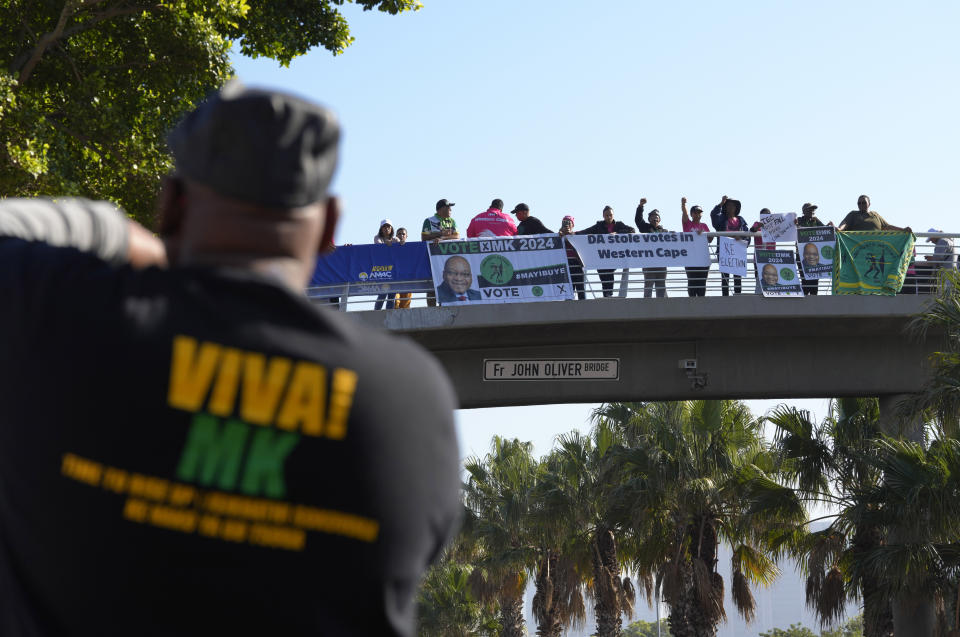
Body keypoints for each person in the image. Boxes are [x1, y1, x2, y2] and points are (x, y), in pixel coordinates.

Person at [0, 84, 461, 637]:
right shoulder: (412, 397)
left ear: (171, 204)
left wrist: (121, 234)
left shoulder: (56, 313)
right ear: (331, 227)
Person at [577, 206, 635, 298]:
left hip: (614, 255)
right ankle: (607, 294)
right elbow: (586, 231)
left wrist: (617, 233)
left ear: (613, 215)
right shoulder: (599, 225)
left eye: (610, 215)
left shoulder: (619, 225)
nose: (609, 217)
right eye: (607, 215)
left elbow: (632, 230)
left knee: (609, 274)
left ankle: (609, 293)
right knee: (603, 275)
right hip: (601, 256)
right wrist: (573, 234)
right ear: (603, 216)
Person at [422, 199, 459, 306]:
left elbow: (456, 236)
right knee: (432, 284)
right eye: (448, 207)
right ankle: (431, 308)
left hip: (449, 258)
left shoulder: (452, 221)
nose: (451, 210)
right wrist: (439, 233)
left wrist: (442, 238)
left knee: (448, 283)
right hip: (433, 258)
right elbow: (424, 237)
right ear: (441, 209)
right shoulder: (429, 220)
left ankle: (446, 305)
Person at [710, 195, 748, 296]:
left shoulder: (741, 220)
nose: (730, 207)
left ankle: (738, 295)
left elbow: (747, 235)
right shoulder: (721, 219)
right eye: (728, 205)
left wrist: (741, 239)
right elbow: (713, 215)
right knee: (725, 276)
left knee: (737, 276)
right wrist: (721, 203)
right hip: (724, 251)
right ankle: (725, 297)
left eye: (733, 206)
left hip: (738, 251)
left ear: (736, 208)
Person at [680, 197, 711, 297]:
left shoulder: (704, 225)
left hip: (702, 257)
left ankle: (701, 303)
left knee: (702, 282)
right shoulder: (688, 224)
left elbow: (710, 240)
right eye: (695, 212)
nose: (697, 214)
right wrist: (683, 204)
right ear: (692, 214)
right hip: (690, 257)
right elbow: (685, 215)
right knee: (692, 281)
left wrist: (704, 234)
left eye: (699, 212)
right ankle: (692, 303)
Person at [796, 203, 827, 295]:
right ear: (804, 211)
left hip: (814, 254)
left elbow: (825, 230)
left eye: (813, 210)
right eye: (810, 209)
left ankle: (814, 299)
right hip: (802, 254)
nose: (812, 211)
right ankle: (804, 299)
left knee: (814, 280)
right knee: (805, 279)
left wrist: (819, 221)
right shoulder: (799, 220)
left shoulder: (815, 221)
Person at [837, 195, 910, 232]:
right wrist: (840, 229)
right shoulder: (853, 214)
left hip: (875, 249)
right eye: (859, 203)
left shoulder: (875, 215)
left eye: (864, 203)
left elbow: (887, 226)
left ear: (869, 204)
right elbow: (845, 223)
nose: (861, 205)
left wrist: (903, 230)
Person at [917, 228, 956, 294]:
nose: (931, 241)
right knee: (949, 294)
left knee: (944, 295)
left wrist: (930, 258)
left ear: (934, 236)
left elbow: (938, 258)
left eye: (931, 239)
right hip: (951, 272)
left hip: (946, 273)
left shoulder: (942, 241)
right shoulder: (948, 240)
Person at [640, 209, 668, 298]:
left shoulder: (664, 232)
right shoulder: (646, 229)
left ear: (659, 220)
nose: (655, 219)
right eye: (652, 217)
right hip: (649, 264)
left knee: (661, 286)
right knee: (648, 286)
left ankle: (663, 306)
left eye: (657, 217)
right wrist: (640, 207)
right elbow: (638, 220)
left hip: (661, 263)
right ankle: (647, 306)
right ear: (649, 220)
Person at [559, 215, 586, 300]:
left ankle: (584, 308)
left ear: (573, 225)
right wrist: (560, 234)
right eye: (564, 222)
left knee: (580, 288)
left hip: (577, 264)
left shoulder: (576, 235)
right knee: (569, 290)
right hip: (566, 264)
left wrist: (568, 236)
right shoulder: (559, 236)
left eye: (568, 222)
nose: (566, 224)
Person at [373, 218, 396, 310]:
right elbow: (378, 244)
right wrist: (387, 242)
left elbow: (400, 242)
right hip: (383, 270)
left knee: (392, 295)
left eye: (388, 226)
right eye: (384, 227)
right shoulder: (377, 237)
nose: (386, 228)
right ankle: (376, 312)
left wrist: (400, 241)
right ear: (381, 229)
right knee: (382, 293)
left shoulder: (395, 238)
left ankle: (389, 313)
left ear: (391, 229)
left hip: (394, 270)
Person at [394, 227, 412, 309]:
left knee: (405, 305)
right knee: (396, 302)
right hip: (395, 279)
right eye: (399, 234)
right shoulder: (391, 247)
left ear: (406, 236)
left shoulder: (411, 248)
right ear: (396, 235)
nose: (401, 235)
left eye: (403, 234)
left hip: (407, 279)